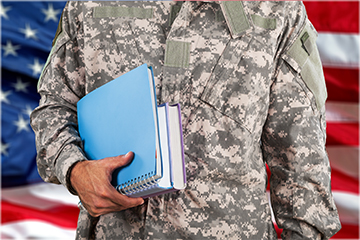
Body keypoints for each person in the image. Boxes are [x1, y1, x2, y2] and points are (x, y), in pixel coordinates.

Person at [30, 1, 341, 239]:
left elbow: (301, 166)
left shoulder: (278, 11)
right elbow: (55, 107)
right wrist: (74, 169)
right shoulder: (89, 5)